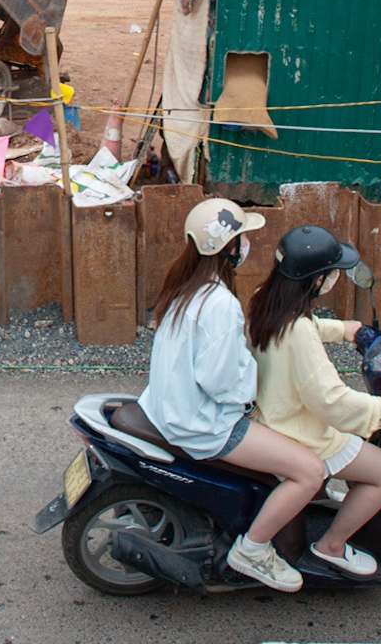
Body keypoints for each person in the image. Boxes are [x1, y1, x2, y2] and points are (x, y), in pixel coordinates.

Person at [136, 198, 326, 594]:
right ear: (229, 248)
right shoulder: (220, 303)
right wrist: (253, 388)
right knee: (310, 471)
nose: (246, 244)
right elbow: (220, 381)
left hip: (171, 408)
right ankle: (254, 551)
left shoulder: (185, 289)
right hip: (207, 424)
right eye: (242, 237)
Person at [246, 226, 381, 580]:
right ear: (315, 281)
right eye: (331, 272)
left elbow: (296, 326)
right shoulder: (299, 332)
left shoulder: (262, 297)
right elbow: (332, 403)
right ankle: (331, 546)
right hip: (301, 431)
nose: (334, 278)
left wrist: (344, 329)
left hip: (272, 413)